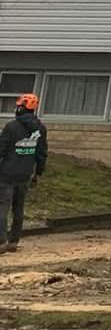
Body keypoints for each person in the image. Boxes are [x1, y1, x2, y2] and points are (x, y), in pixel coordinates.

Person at [0, 93, 47, 251]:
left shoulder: (11, 127)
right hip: (25, 174)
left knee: (3, 207)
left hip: (7, 174)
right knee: (18, 208)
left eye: (18, 106)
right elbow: (41, 153)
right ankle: (14, 241)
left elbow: (1, 149)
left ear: (22, 108)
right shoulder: (40, 129)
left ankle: (1, 241)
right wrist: (38, 173)